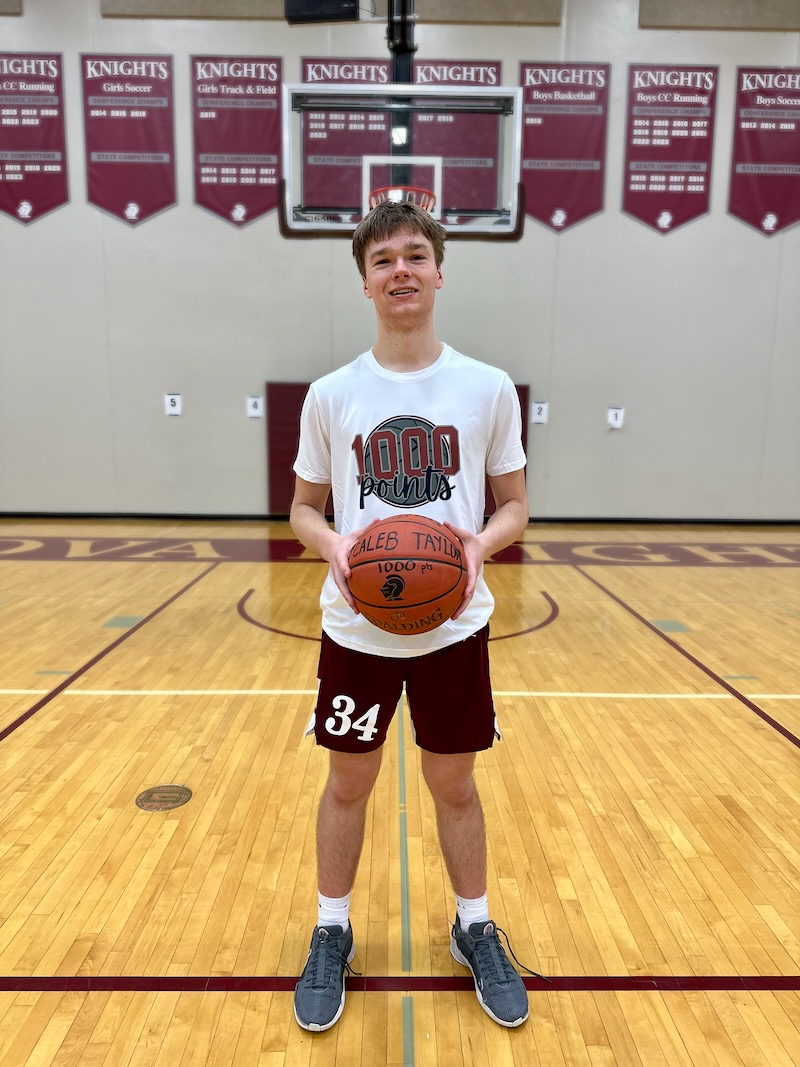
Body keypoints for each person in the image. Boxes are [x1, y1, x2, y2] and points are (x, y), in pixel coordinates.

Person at [289, 199, 531, 1032]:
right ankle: (330, 930)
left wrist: (475, 547)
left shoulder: (486, 386)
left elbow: (515, 507)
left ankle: (474, 926)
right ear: (365, 280)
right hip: (355, 628)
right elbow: (302, 510)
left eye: (415, 255)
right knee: (348, 782)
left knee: (454, 785)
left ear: (438, 270)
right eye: (384, 258)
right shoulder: (331, 394)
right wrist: (336, 549)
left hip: (453, 627)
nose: (401, 270)